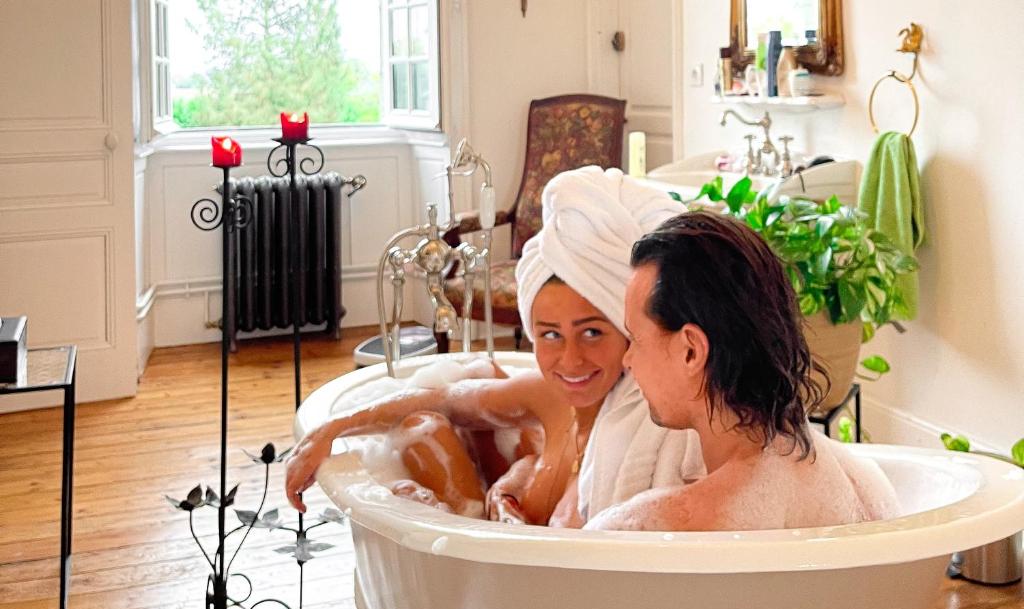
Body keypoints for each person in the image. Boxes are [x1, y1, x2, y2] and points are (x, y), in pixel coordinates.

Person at [285, 166, 702, 526]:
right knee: (422, 426)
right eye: (550, 335)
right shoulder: (551, 397)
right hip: (500, 585)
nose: (570, 360)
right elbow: (443, 398)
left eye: (592, 332)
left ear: (629, 333)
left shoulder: (652, 432)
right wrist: (331, 429)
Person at [585, 211, 901, 531]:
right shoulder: (860, 482)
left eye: (636, 339)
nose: (628, 360)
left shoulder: (663, 525)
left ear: (691, 351)